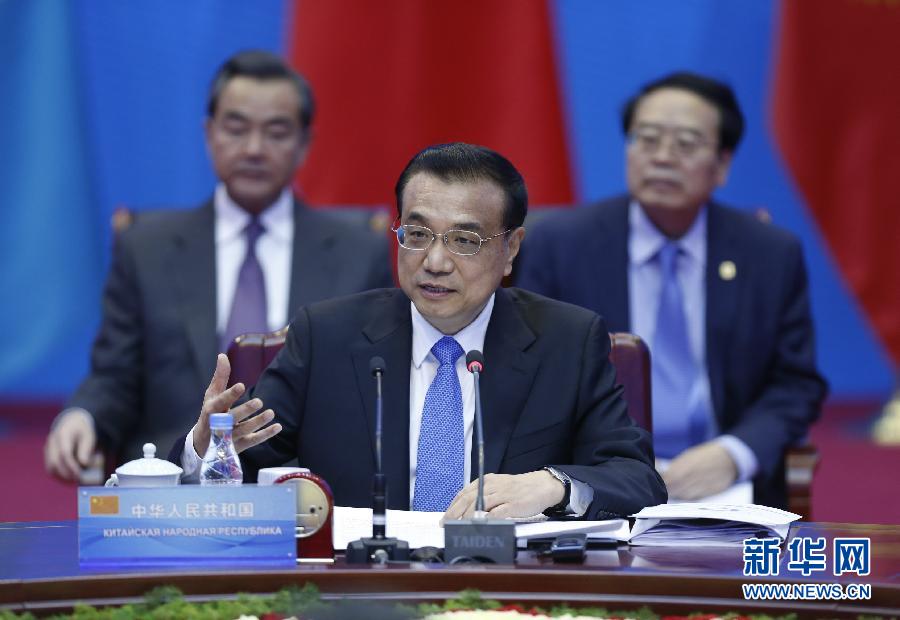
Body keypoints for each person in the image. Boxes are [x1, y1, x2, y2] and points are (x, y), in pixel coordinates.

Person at [172, 142, 667, 520]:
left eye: (464, 240)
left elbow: (636, 478)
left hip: (508, 591)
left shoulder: (567, 341)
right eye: (417, 234)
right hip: (361, 594)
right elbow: (246, 464)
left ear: (511, 248)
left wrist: (552, 485)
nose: (434, 261)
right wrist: (207, 447)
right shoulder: (325, 337)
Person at [45, 50, 393, 482]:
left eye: (276, 132)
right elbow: (115, 375)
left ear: (304, 144)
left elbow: (373, 389)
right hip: (176, 483)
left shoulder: (358, 252)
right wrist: (82, 416)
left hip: (307, 491)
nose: (254, 149)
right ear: (209, 134)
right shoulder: (146, 248)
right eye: (236, 128)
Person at [516, 72, 827, 508]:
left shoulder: (770, 254)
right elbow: (532, 375)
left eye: (686, 144)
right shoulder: (561, 244)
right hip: (596, 480)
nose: (662, 157)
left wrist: (733, 454)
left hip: (722, 487)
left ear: (722, 165)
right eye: (647, 139)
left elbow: (795, 385)